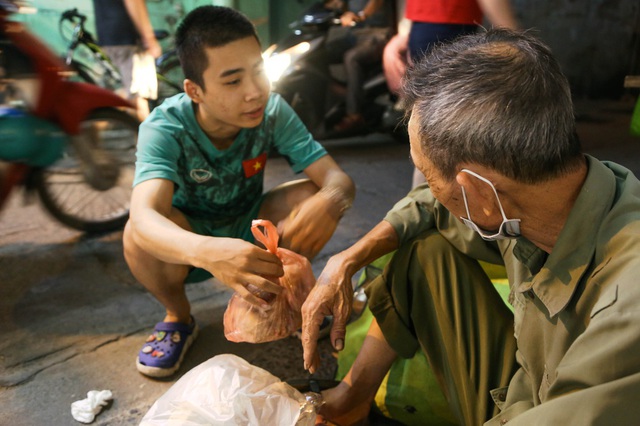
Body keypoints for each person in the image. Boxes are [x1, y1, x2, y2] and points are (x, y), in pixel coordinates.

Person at [301, 28, 640, 425]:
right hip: (523, 392)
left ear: (479, 194)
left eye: (428, 176)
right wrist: (347, 259)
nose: (429, 190)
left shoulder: (627, 311)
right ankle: (352, 398)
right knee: (425, 253)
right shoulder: (542, 194)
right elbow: (430, 209)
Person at [123, 5, 355, 378]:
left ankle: (283, 299)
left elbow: (337, 179)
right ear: (194, 90)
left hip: (251, 225)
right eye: (232, 81)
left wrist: (330, 200)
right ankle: (178, 319)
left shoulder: (273, 110)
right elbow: (144, 215)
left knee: (315, 194)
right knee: (137, 235)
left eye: (259, 71)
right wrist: (207, 251)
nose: (255, 92)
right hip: (188, 243)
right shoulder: (164, 127)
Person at [332, 0, 394, 134]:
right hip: (354, 34)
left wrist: (361, 15)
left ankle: (354, 114)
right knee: (325, 51)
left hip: (378, 33)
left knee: (352, 58)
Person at [92, 0, 161, 120]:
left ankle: (94, 116)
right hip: (128, 38)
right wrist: (149, 37)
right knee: (138, 99)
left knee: (128, 90)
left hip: (108, 37)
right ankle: (147, 138)